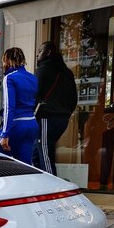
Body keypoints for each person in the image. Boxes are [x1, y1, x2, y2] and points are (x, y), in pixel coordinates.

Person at [32, 41, 78, 175]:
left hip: (47, 117)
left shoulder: (43, 70)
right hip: (62, 119)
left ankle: (52, 189)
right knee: (36, 152)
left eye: (40, 51)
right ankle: (40, 184)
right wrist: (66, 113)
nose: (37, 55)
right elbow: (73, 98)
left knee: (45, 155)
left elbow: (35, 94)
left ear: (48, 52)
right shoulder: (67, 72)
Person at [0, 47, 39, 164]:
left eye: (3, 61)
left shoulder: (10, 78)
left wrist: (5, 134)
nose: (3, 64)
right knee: (24, 167)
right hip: (32, 125)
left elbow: (9, 107)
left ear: (7, 61)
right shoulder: (33, 78)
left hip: (16, 125)